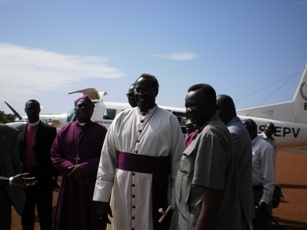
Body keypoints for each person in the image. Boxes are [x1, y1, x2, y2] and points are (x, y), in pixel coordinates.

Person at [93, 74, 185, 230]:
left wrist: (175, 198)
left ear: (156, 92)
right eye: (138, 90)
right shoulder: (121, 118)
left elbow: (178, 163)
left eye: (146, 90)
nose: (141, 94)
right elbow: (106, 159)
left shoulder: (170, 120)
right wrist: (102, 197)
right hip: (122, 189)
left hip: (155, 189)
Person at [172, 84, 241, 230]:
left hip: (196, 222)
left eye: (193, 105)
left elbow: (212, 192)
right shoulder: (207, 131)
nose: (188, 111)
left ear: (211, 105)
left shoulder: (211, 134)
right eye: (186, 106)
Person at [51, 95, 107, 230]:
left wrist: (83, 168)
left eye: (86, 107)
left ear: (92, 111)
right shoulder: (64, 130)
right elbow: (54, 154)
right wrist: (70, 168)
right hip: (69, 181)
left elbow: (105, 156)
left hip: (89, 182)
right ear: (75, 109)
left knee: (89, 217)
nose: (82, 109)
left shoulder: (101, 131)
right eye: (79, 106)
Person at [16, 99, 57, 230]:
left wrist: (53, 176)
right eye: (29, 109)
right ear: (25, 110)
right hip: (25, 177)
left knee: (45, 214)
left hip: (42, 178)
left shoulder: (49, 131)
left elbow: (54, 154)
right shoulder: (19, 130)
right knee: (26, 214)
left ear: (39, 110)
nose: (32, 111)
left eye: (35, 108)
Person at [216, 94, 255, 229]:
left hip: (233, 205)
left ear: (230, 110)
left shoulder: (233, 134)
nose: (215, 113)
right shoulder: (235, 128)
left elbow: (219, 171)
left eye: (217, 109)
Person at [243, 119, 276, 230]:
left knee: (260, 225)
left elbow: (269, 177)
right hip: (247, 193)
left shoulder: (265, 147)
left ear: (253, 130)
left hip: (259, 194)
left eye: (245, 129)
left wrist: (264, 200)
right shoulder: (246, 144)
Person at [0, 123, 26, 230]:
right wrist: (9, 181)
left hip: (3, 195)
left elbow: (16, 161)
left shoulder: (10, 132)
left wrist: (16, 178)